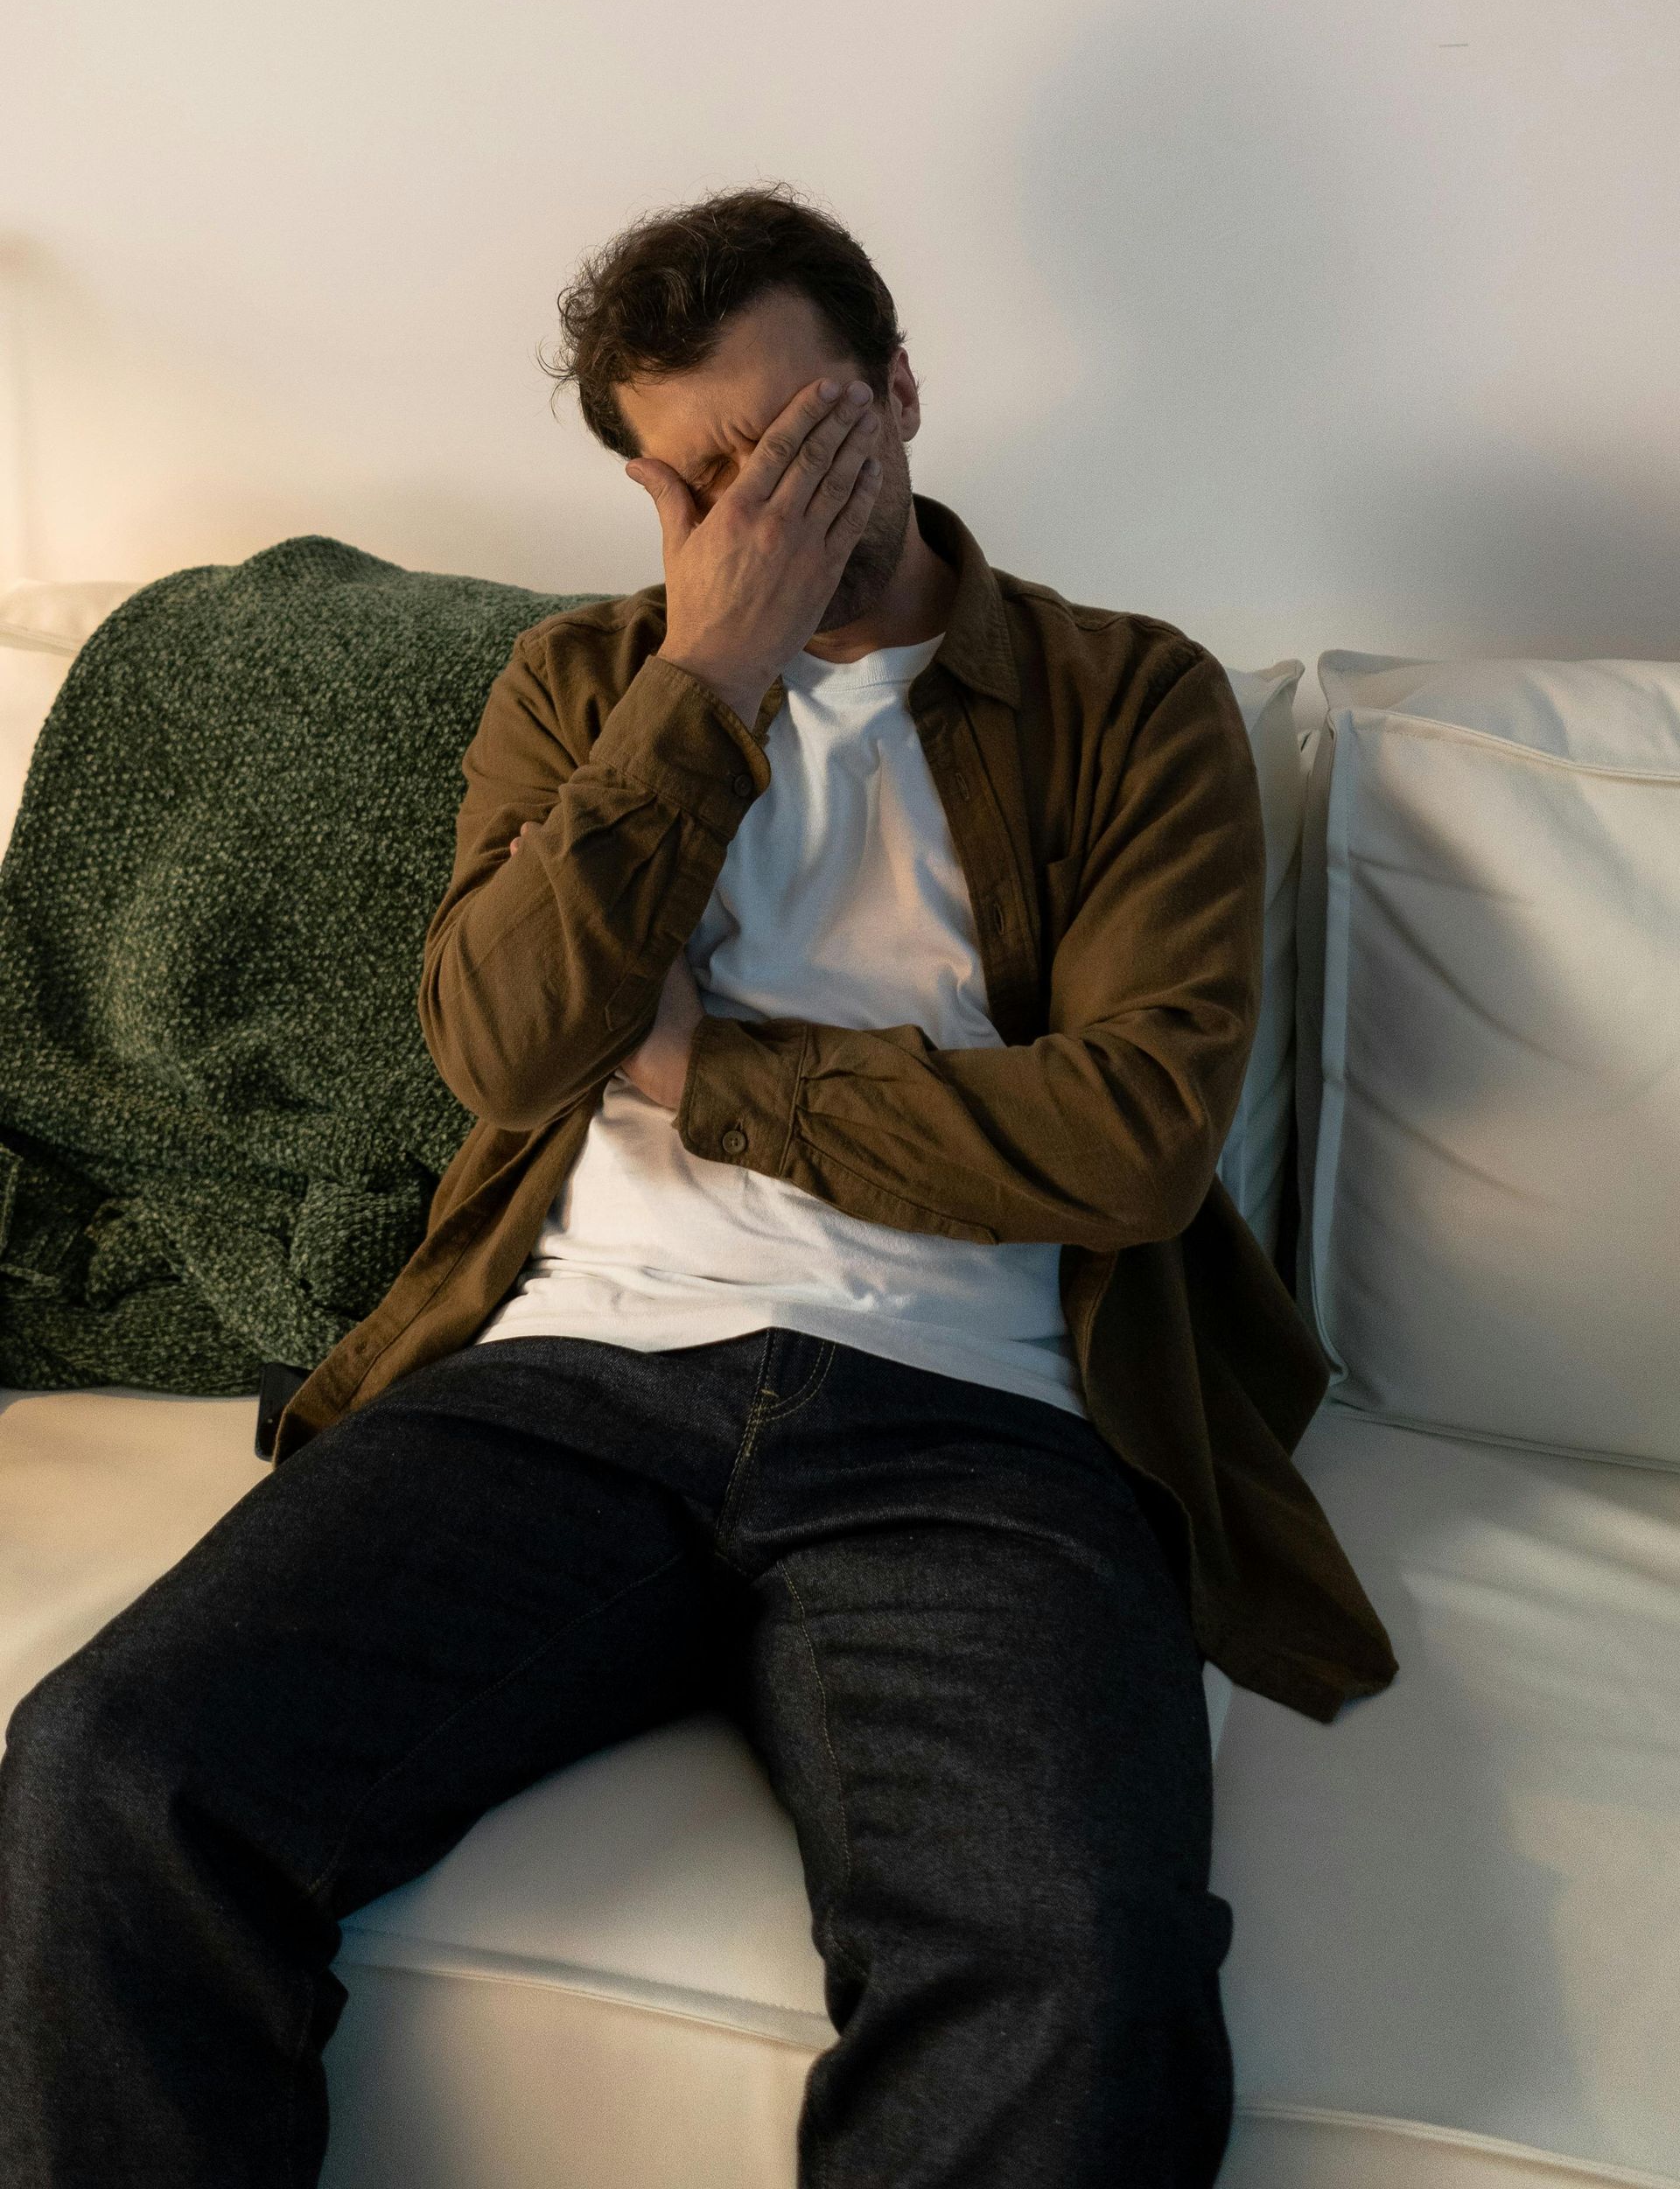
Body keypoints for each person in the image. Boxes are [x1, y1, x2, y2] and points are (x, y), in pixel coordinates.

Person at [0, 184, 1396, 2187]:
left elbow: (1130, 1140)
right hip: (568, 1388)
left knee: (1075, 1963)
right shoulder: (588, 689)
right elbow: (495, 1044)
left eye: (798, 446)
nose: (755, 517)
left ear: (902, 392)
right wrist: (710, 680)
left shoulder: (1130, 699)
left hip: (982, 1437)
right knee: (109, 1767)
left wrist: (693, 1066)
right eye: (695, 483)